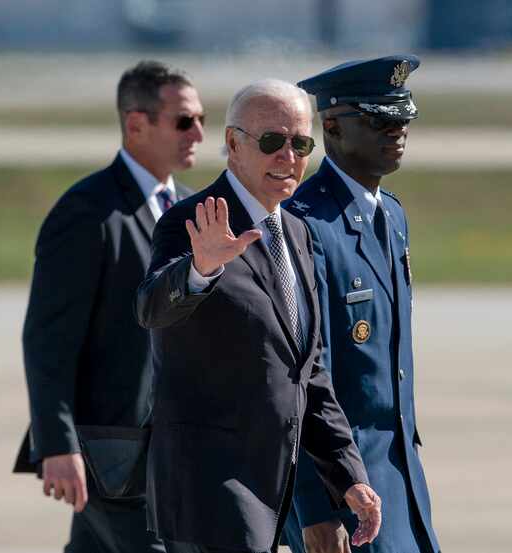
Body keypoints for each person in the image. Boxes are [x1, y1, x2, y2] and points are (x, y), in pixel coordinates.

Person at [135, 79, 382, 553]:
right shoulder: (195, 219)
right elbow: (151, 308)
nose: (288, 157)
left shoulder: (298, 234)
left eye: (300, 143)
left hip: (273, 486)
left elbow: (308, 373)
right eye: (272, 141)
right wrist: (200, 268)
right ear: (232, 143)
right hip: (210, 486)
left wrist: (348, 474)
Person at [12, 60, 204, 553]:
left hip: (166, 451)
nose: (199, 132)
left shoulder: (186, 209)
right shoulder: (88, 213)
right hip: (109, 451)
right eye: (184, 120)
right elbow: (47, 340)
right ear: (136, 124)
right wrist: (57, 443)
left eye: (201, 118)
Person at [281, 56, 441, 553]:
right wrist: (317, 508)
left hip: (397, 478)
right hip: (343, 489)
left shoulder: (391, 216)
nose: (397, 131)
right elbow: (301, 375)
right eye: (379, 120)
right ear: (332, 127)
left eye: (402, 119)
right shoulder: (304, 226)